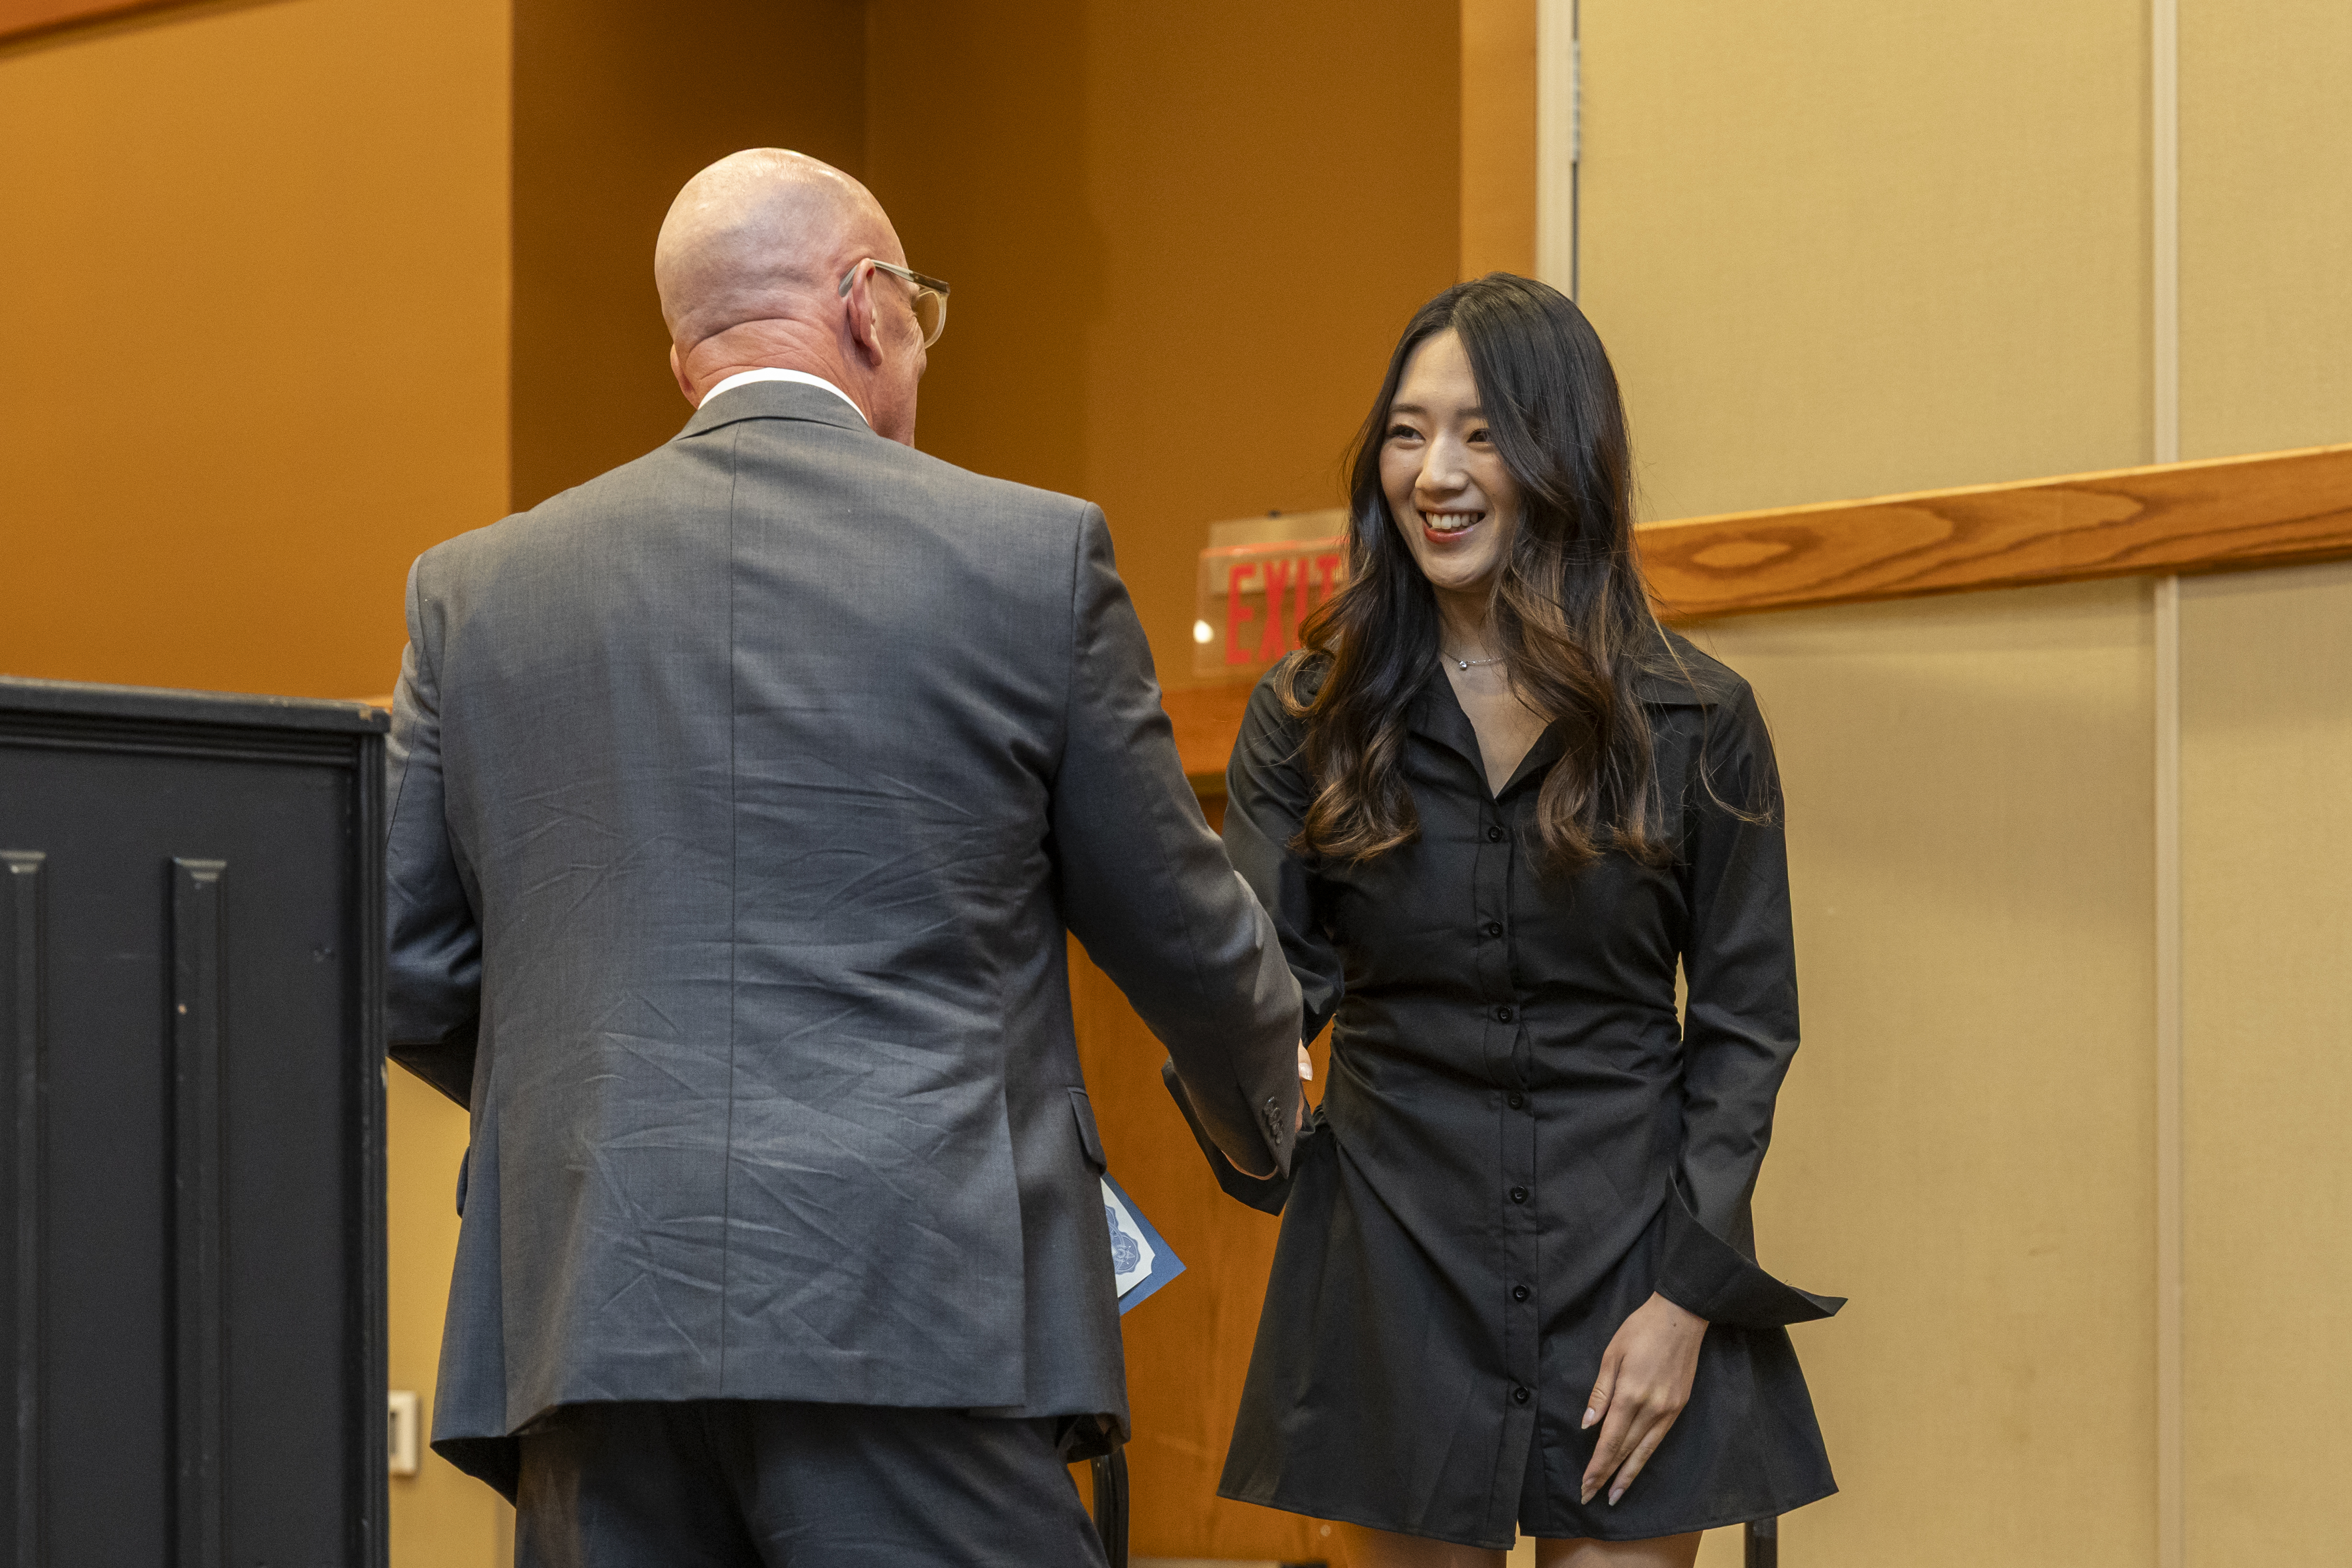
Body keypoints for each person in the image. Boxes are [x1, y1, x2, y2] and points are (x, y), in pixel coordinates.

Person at [383, 148, 1306, 1568]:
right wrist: (1263, 1123)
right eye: (919, 315)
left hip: (594, 1317)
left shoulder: (474, 595)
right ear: (869, 306)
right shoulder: (1029, 558)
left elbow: (407, 965)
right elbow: (1181, 931)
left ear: (687, 359)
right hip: (924, 1312)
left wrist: (599, 1100)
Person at [1183, 275, 1840, 1567]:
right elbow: (1262, 993)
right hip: (1395, 1263)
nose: (1436, 473)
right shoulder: (1309, 716)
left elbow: (1745, 1033)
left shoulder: (1698, 718)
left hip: (1634, 1261)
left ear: (1562, 454)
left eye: (1481, 434)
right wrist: (1241, 1101)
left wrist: (1686, 1303)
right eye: (1407, 433)